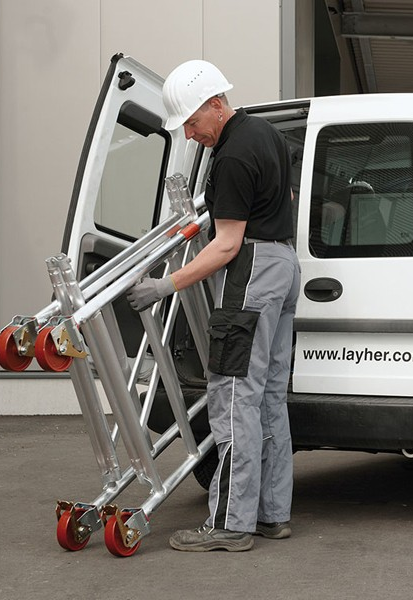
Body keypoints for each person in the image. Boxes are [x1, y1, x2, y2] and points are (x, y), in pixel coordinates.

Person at [126, 60, 301, 552]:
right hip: (284, 265)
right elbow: (281, 199)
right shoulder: (268, 135)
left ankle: (230, 523)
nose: (189, 133)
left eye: (191, 121)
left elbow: (227, 245)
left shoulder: (231, 156)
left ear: (216, 104)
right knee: (269, 397)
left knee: (233, 397)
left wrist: (165, 285)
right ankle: (271, 514)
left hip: (252, 273)